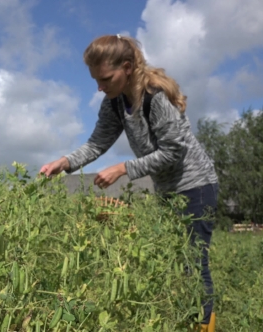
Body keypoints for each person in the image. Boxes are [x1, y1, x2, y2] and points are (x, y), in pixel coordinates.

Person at [39, 34, 218, 331]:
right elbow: (97, 144)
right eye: (96, 80)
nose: (99, 86)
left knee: (194, 266)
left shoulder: (155, 96)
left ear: (127, 67)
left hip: (196, 186)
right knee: (174, 263)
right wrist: (65, 162)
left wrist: (124, 167)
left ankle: (204, 327)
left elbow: (174, 152)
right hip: (168, 190)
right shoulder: (113, 103)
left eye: (105, 78)